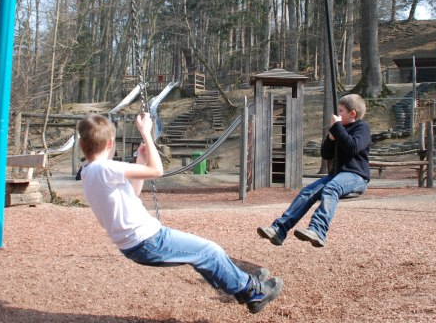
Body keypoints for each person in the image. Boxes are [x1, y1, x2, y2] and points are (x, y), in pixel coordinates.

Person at [78, 113, 283, 314]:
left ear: (82, 145)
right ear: (111, 143)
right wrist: (146, 133)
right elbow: (157, 170)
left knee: (202, 255)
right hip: (148, 241)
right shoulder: (104, 168)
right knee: (210, 251)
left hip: (137, 243)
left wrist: (140, 160)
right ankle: (253, 293)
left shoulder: (89, 172)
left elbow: (133, 193)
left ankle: (242, 283)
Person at [257, 94, 371, 248]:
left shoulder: (362, 128)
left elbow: (353, 147)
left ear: (352, 114)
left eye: (341, 111)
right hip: (337, 176)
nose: (337, 115)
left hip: (356, 177)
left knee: (331, 188)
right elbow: (326, 155)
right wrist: (331, 138)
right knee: (307, 192)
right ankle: (279, 229)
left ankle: (318, 230)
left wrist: (337, 128)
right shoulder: (340, 129)